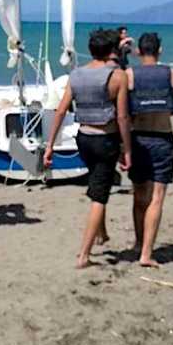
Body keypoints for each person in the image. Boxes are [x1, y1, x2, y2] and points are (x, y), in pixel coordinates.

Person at [44, 29, 132, 269]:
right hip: (106, 137)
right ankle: (84, 254)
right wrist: (127, 149)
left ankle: (102, 233)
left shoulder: (76, 74)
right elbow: (122, 117)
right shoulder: (118, 76)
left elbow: (61, 110)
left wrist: (50, 144)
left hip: (83, 137)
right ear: (113, 50)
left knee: (97, 183)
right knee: (100, 196)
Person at [125, 32, 173, 267]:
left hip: (137, 137)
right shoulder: (171, 73)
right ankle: (146, 254)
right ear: (159, 50)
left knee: (139, 196)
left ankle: (139, 242)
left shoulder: (129, 75)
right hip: (162, 137)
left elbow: (123, 109)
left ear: (139, 51)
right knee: (156, 198)